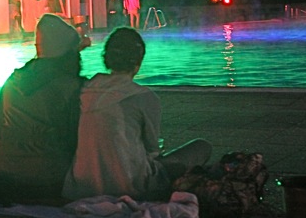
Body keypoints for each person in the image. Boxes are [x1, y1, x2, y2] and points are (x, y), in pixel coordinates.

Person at [63, 27, 212, 201]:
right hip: (131, 186)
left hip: (82, 186)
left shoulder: (85, 90)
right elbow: (152, 149)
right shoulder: (144, 97)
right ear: (138, 62)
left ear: (106, 59)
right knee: (202, 147)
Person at [0, 13, 84, 203]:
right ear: (69, 55)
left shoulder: (13, 81)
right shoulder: (71, 87)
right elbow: (78, 141)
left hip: (4, 173)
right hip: (48, 178)